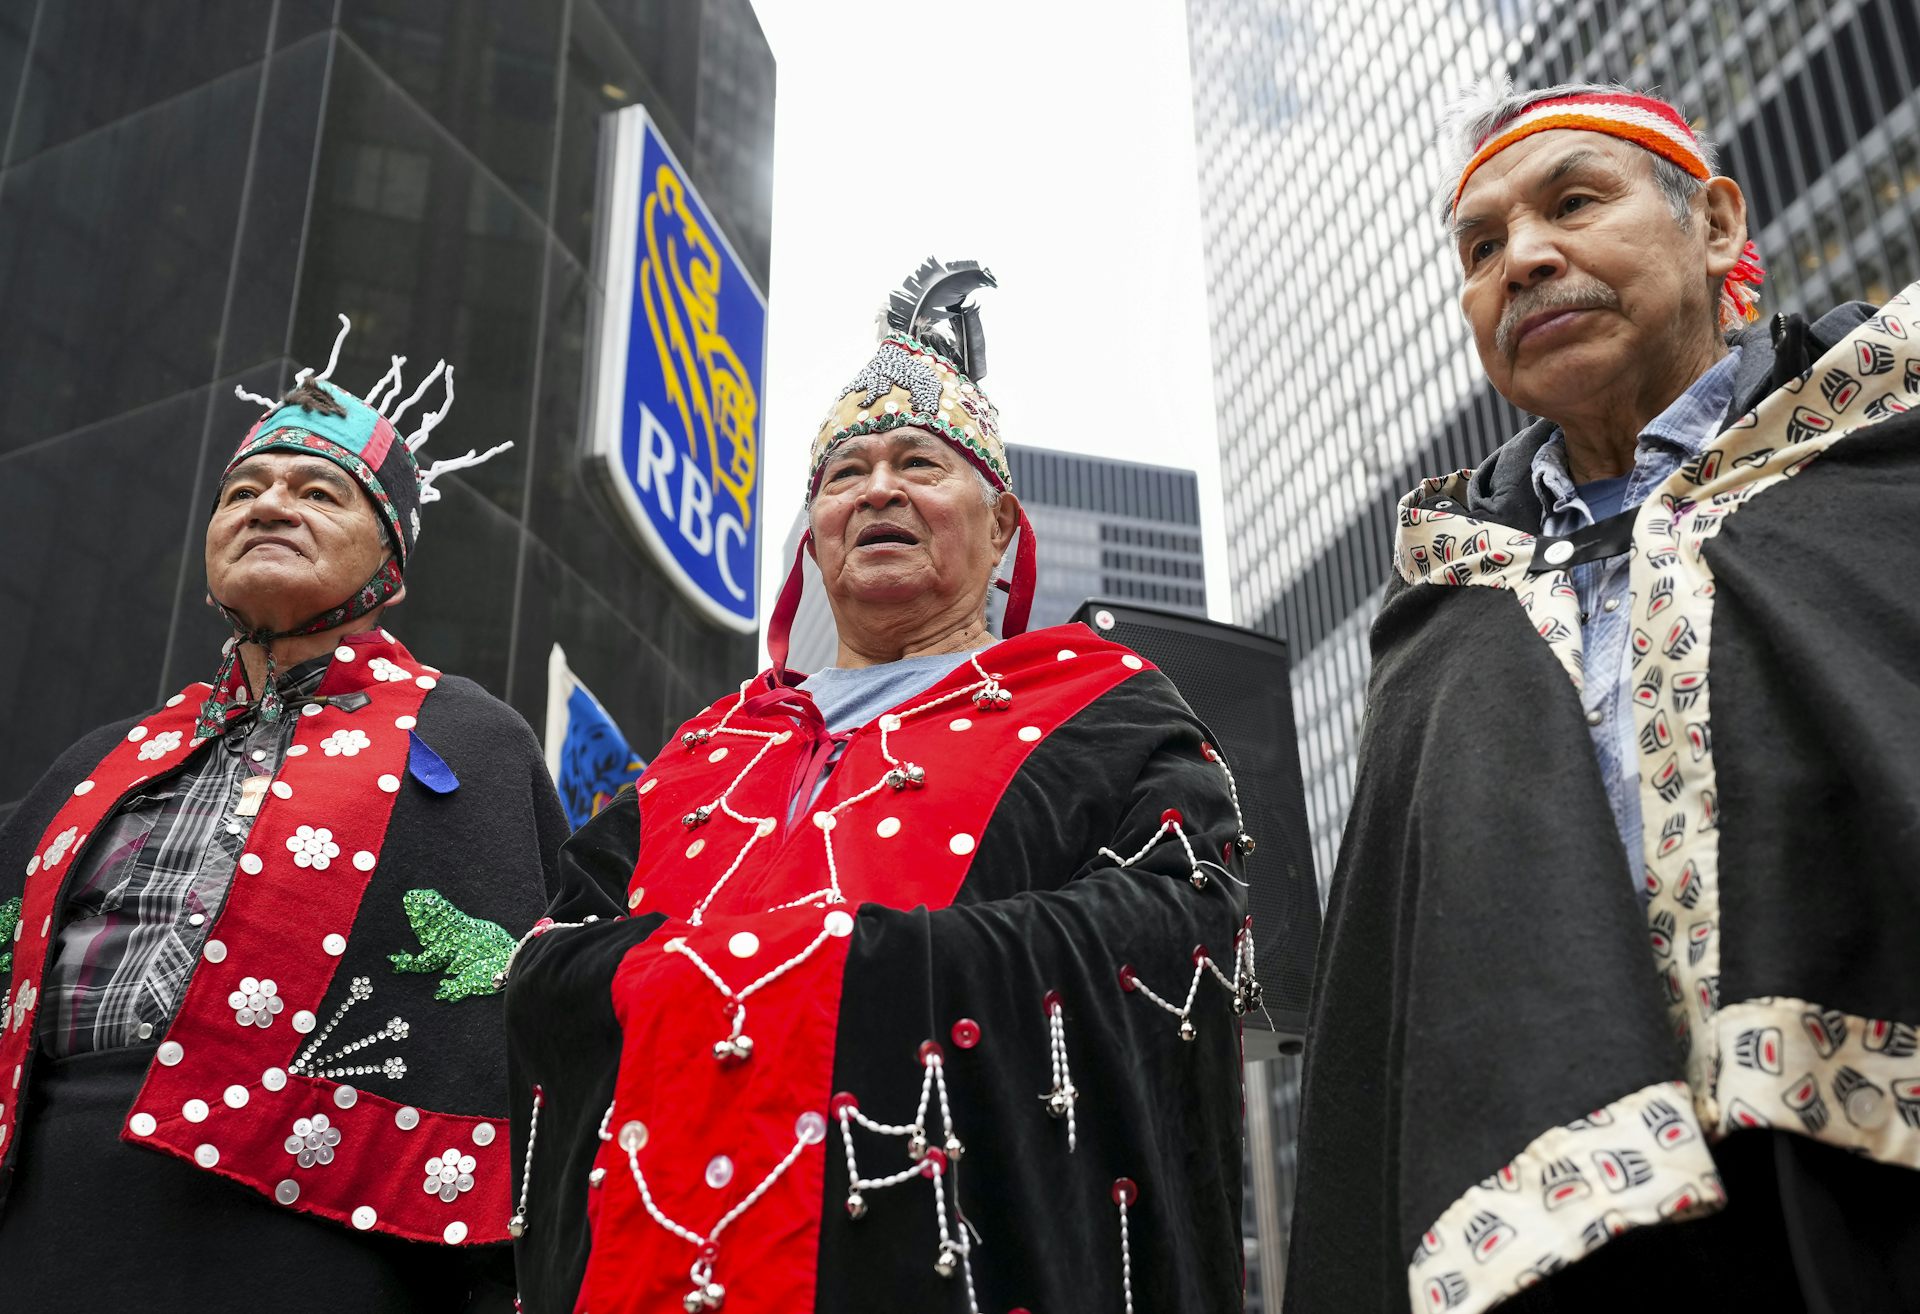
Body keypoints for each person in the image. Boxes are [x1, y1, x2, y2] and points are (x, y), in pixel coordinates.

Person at [501, 260, 1255, 1314]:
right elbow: (552, 960)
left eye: (919, 464)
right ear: (813, 537)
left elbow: (1180, 924)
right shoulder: (707, 748)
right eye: (845, 474)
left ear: (1002, 532)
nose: (879, 490)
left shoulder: (1101, 707)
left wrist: (848, 969)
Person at [1285, 82, 1920, 1314]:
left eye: (1575, 202)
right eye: (1480, 249)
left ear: (1718, 226)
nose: (1523, 259)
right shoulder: (1442, 606)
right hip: (1579, 1265)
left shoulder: (1881, 467)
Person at [0, 318, 563, 1311]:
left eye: (316, 492)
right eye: (243, 493)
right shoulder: (97, 763)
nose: (271, 506)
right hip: (45, 1218)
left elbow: (523, 1042)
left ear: (390, 555)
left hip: (313, 1248)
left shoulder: (472, 742)